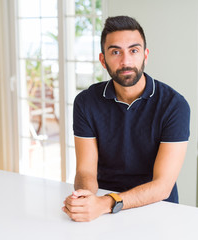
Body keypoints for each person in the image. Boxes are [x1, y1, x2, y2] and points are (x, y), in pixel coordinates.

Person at [62, 15, 190, 222]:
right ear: (103, 60)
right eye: (115, 52)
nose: (126, 61)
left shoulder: (174, 105)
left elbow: (163, 185)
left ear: (145, 55)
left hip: (156, 208)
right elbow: (86, 169)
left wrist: (106, 203)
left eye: (134, 50)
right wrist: (85, 197)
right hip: (102, 206)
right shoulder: (86, 102)